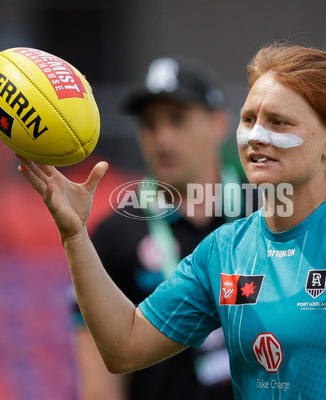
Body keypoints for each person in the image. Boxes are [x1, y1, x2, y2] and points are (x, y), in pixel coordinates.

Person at [18, 42, 326, 399]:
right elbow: (124, 346)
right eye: (249, 118)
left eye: (278, 121)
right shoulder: (223, 250)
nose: (256, 136)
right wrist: (74, 234)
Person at [69, 56, 243, 400]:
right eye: (149, 124)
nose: (162, 138)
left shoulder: (266, 214)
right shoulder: (113, 236)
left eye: (177, 120)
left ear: (219, 123)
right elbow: (100, 383)